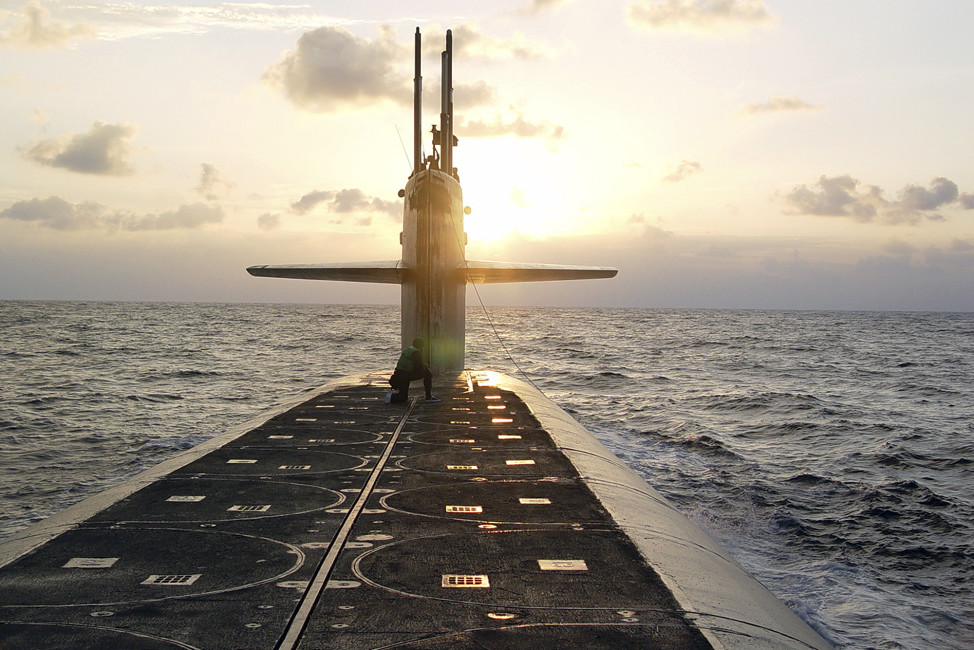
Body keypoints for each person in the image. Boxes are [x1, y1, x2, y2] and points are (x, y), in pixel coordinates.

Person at [387, 337, 440, 403]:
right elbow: (419, 367)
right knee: (427, 373)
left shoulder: (408, 350)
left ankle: (391, 397)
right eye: (422, 346)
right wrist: (424, 366)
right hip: (406, 375)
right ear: (420, 346)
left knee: (403, 397)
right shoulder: (416, 353)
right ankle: (428, 396)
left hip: (400, 374)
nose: (423, 348)